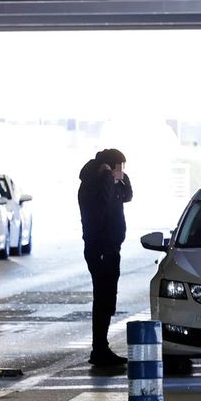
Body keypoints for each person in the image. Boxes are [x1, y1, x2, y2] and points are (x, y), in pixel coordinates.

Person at [78, 147, 133, 367]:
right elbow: (101, 205)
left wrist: (121, 179)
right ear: (109, 167)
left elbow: (127, 196)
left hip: (111, 248)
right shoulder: (93, 184)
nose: (122, 171)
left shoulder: (109, 183)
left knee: (107, 298)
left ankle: (101, 347)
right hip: (100, 248)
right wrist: (108, 178)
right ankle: (99, 349)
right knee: (103, 298)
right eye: (120, 167)